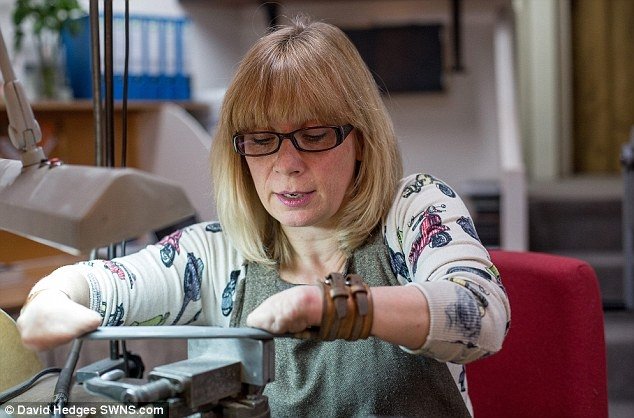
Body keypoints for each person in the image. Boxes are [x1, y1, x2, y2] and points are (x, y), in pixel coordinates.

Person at [17, 16, 511, 417]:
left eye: (314, 135)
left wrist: (332, 306)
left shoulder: (414, 211)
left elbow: (481, 314)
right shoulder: (215, 254)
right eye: (261, 139)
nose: (287, 163)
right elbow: (102, 283)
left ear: (360, 141)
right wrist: (51, 296)